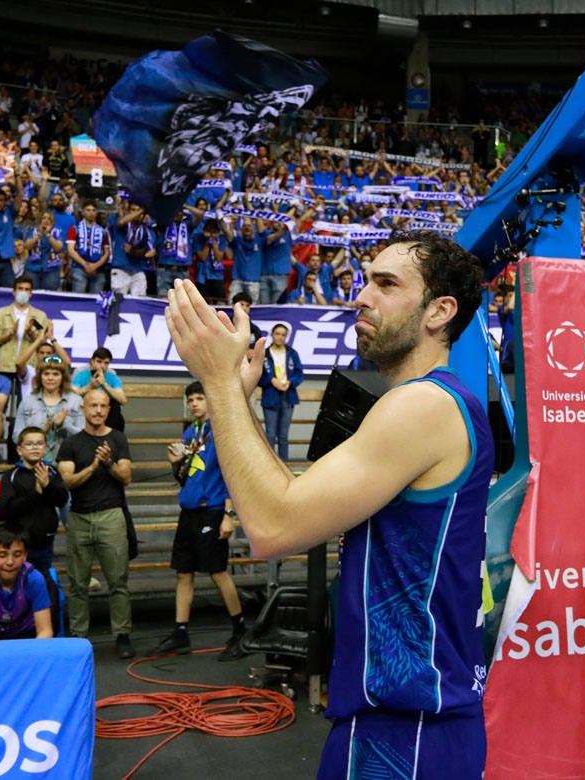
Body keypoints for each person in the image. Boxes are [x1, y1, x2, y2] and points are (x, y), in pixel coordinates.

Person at [165, 231, 492, 778]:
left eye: (386, 284)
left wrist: (220, 383)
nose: (361, 295)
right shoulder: (434, 404)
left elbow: (271, 526)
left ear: (440, 311)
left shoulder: (423, 406)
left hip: (407, 730)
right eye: (365, 279)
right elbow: (286, 497)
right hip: (412, 721)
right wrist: (237, 399)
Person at [154, 382, 246, 660]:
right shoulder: (190, 432)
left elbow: (232, 474)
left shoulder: (220, 431)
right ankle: (181, 633)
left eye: (199, 398)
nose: (194, 403)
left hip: (212, 511)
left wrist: (229, 516)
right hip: (189, 512)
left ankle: (240, 631)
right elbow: (188, 477)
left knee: (218, 572)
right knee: (183, 572)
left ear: (210, 400)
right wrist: (175, 464)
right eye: (190, 399)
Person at [57, 387, 134, 658]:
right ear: (83, 409)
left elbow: (125, 477)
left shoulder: (118, 438)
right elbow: (68, 481)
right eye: (93, 406)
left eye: (103, 406)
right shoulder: (71, 443)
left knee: (118, 581)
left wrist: (109, 462)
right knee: (78, 583)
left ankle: (122, 635)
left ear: (108, 410)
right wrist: (93, 466)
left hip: (112, 517)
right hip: (78, 517)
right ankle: (78, 636)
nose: (99, 410)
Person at [0, 427, 68, 572]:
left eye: (39, 443)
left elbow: (62, 500)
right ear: (19, 449)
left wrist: (48, 486)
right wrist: (34, 493)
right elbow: (8, 509)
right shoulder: (11, 475)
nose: (35, 447)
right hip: (19, 541)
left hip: (45, 539)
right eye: (29, 444)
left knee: (41, 580)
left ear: (45, 448)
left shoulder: (52, 472)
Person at [259, 323, 304, 461]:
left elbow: (299, 373)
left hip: (288, 395)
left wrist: (290, 382)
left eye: (283, 335)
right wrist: (271, 380)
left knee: (283, 435)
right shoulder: (264, 354)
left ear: (286, 337)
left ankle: (284, 465)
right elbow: (257, 376)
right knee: (271, 434)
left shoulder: (292, 353)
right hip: (270, 396)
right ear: (272, 335)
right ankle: (270, 465)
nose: (280, 337)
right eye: (277, 334)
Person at [71, 346, 127, 431]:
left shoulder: (112, 377)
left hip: (106, 413)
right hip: (85, 410)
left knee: (115, 406)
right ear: (92, 362)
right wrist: (90, 387)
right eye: (99, 362)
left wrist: (104, 384)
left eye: (106, 363)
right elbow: (71, 395)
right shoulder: (81, 374)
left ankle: (112, 438)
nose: (102, 366)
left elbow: (122, 400)